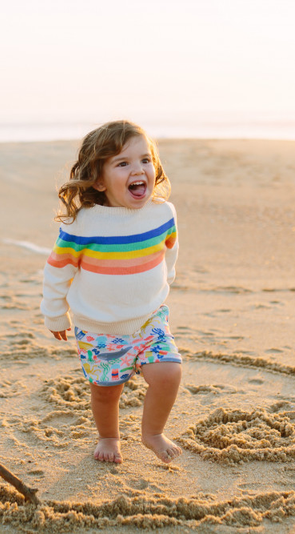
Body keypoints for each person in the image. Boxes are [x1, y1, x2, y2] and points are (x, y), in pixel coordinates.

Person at [41, 120, 182, 465]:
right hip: (99, 328)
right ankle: (108, 436)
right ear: (99, 179)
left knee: (169, 372)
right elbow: (58, 270)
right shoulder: (84, 224)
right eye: (123, 163)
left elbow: (170, 251)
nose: (139, 170)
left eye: (145, 160)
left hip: (149, 319)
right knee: (106, 392)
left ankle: (152, 433)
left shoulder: (163, 214)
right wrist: (55, 312)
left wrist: (167, 281)